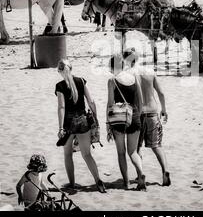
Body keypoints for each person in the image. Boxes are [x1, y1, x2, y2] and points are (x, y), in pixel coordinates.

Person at [55, 59, 106, 193]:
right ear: (71, 69)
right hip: (83, 121)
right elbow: (91, 101)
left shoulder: (60, 86)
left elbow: (61, 107)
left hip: (68, 124)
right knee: (87, 154)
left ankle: (72, 183)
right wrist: (95, 118)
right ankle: (98, 180)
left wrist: (60, 128)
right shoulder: (82, 81)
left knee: (67, 155)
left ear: (59, 71)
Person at [123, 48, 171, 186]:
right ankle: (165, 171)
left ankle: (140, 176)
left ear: (126, 59)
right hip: (152, 112)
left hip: (137, 114)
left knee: (136, 149)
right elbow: (161, 93)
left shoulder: (127, 74)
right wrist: (164, 110)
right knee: (157, 146)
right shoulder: (150, 71)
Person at [106, 54, 146, 190]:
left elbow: (110, 104)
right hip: (134, 117)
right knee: (133, 152)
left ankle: (127, 182)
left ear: (112, 67)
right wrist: (137, 116)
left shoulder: (112, 81)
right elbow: (140, 101)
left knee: (121, 152)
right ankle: (141, 173)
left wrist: (108, 124)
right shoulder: (134, 78)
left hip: (118, 119)